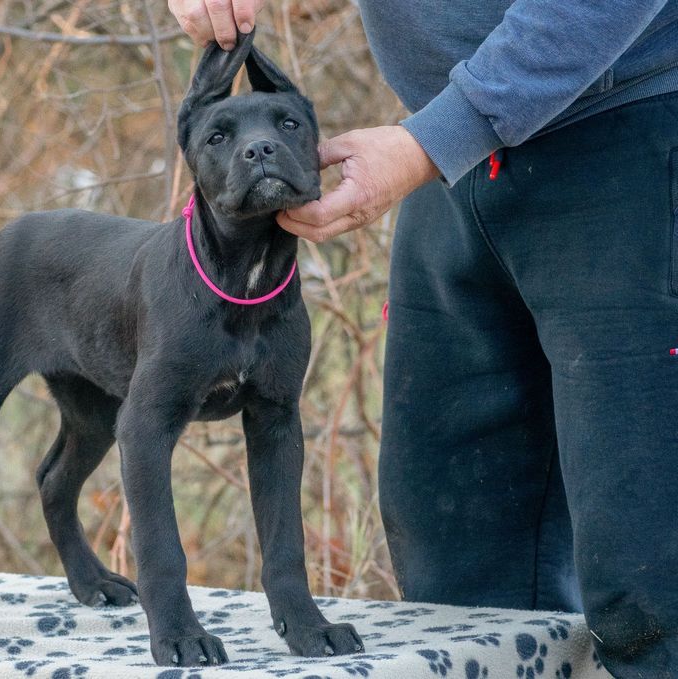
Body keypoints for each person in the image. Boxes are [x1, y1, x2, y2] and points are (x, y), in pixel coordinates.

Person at [168, 1, 678, 676]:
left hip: (629, 142)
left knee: (650, 593)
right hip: (451, 161)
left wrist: (436, 136)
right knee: (457, 586)